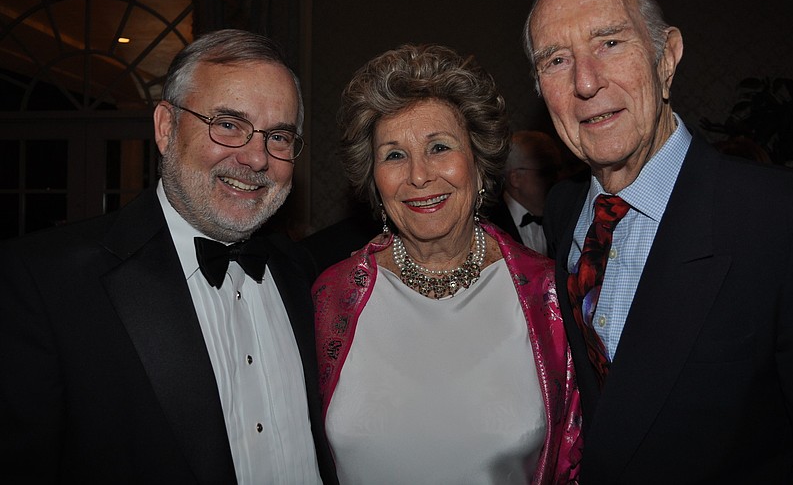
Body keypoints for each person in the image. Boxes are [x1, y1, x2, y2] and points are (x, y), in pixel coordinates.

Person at [523, 0, 793, 483]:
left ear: (667, 57)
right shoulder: (565, 211)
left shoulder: (792, 223)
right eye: (557, 60)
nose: (585, 82)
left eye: (609, 42)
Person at [0, 29, 338, 484]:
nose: (257, 159)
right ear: (166, 127)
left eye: (278, 136)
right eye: (228, 125)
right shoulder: (45, 283)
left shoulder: (303, 270)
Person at [311, 44, 582, 484]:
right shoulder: (332, 296)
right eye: (394, 155)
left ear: (478, 164)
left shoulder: (548, 294)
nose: (419, 175)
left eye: (439, 147)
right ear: (374, 181)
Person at [488, 130, 563, 255]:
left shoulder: (567, 215)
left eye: (559, 169)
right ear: (515, 178)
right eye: (547, 171)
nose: (558, 178)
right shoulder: (487, 223)